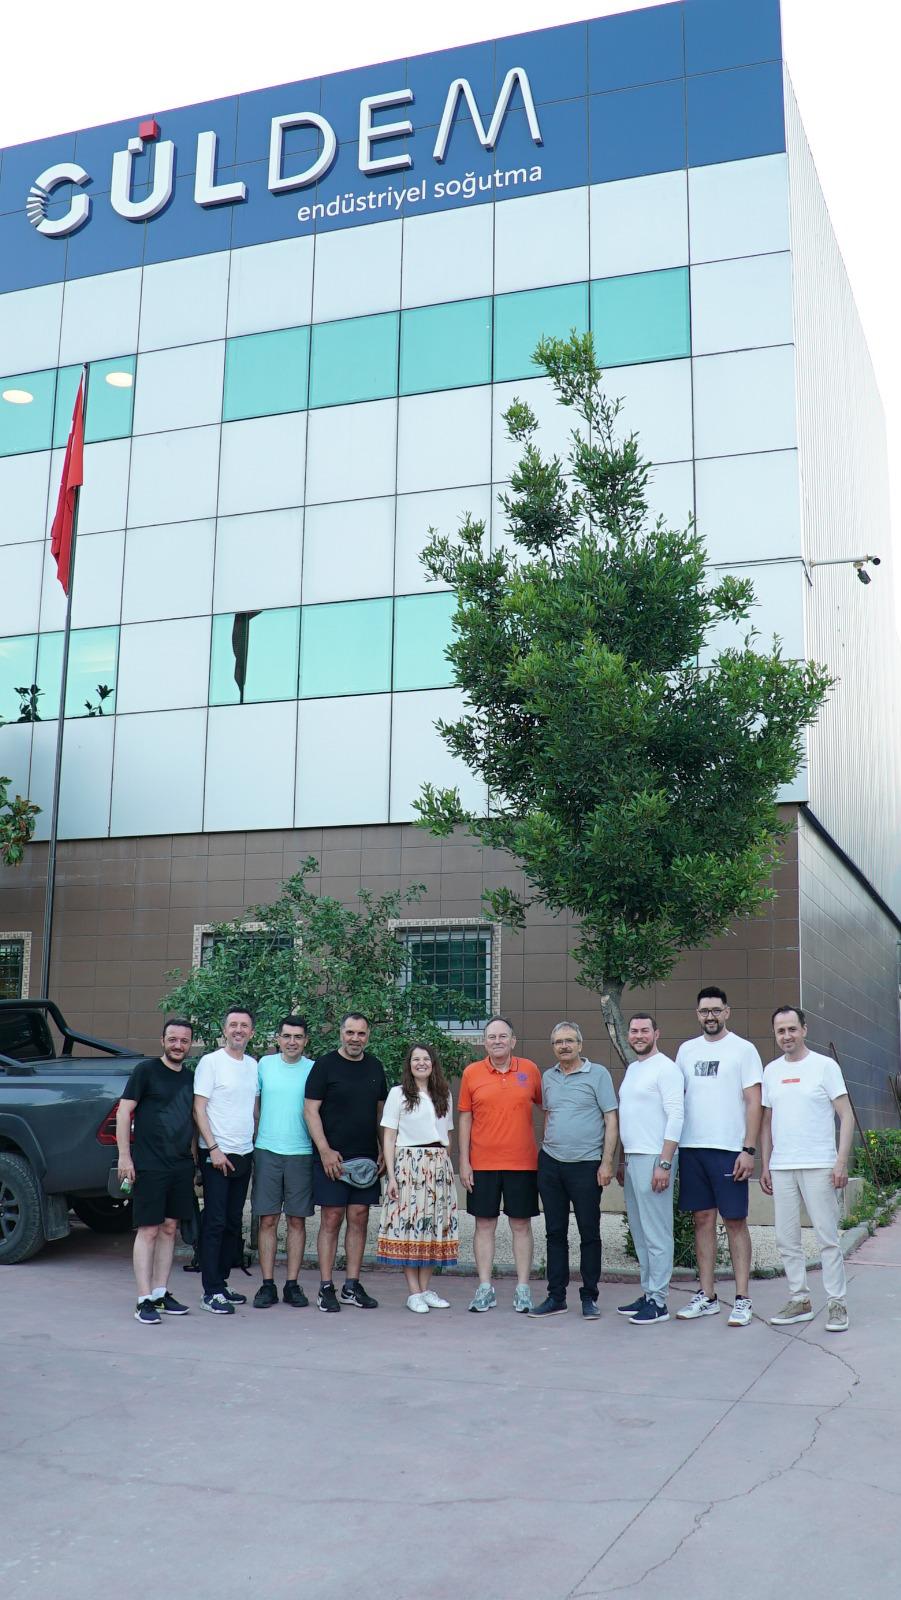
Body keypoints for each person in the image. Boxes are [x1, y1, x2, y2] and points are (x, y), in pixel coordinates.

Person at [760, 1006, 854, 1333]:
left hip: (819, 1165)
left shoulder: (824, 1066)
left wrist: (840, 1161)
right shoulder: (771, 1071)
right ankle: (799, 1299)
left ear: (804, 1029)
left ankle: (837, 1304)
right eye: (780, 1031)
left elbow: (846, 1115)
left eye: (792, 1029)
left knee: (827, 1238)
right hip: (782, 1166)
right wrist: (766, 1164)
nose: (786, 1036)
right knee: (787, 1240)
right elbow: (767, 1122)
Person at [674, 986, 763, 1328]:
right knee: (702, 1220)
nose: (709, 1016)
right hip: (692, 1148)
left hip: (729, 1150)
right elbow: (677, 1098)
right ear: (697, 1014)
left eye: (715, 1010)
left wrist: (748, 1150)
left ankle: (742, 1298)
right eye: (704, 1011)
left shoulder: (743, 1049)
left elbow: (754, 1102)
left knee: (735, 1221)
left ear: (727, 1011)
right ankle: (707, 1296)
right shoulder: (686, 1050)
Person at [530, 1021, 618, 1320]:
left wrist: (607, 1162)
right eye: (558, 1042)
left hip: (587, 1165)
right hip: (551, 1164)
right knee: (554, 1233)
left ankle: (589, 1296)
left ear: (580, 1044)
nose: (564, 1046)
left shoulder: (598, 1074)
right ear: (553, 1047)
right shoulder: (548, 1077)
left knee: (589, 1232)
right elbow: (549, 1114)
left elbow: (611, 1119)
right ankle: (556, 1297)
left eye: (569, 1041)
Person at [304, 1012, 388, 1312]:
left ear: (368, 1036)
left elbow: (380, 1114)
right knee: (331, 1217)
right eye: (350, 1032)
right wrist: (324, 1150)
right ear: (341, 1033)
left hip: (366, 1159)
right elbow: (310, 1111)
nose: (355, 1038)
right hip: (332, 1158)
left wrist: (384, 1148)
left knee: (359, 1217)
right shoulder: (324, 1066)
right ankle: (326, 1287)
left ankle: (352, 1286)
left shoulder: (375, 1067)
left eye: (361, 1033)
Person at [457, 1016, 542, 1314]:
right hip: (482, 1164)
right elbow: (465, 1117)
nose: (497, 1041)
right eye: (492, 1037)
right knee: (484, 1224)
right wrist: (464, 1161)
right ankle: (484, 1288)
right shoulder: (471, 1073)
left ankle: (523, 1289)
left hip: (523, 1163)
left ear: (513, 1041)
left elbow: (548, 1107)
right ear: (484, 1042)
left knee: (521, 1225)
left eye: (503, 1036)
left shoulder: (530, 1070)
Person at [116, 1018, 196, 1325]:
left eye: (184, 1040)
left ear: (190, 1044)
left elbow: (192, 1118)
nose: (178, 1045)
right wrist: (125, 1156)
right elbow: (124, 1112)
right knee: (148, 1229)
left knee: (170, 1228)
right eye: (172, 1039)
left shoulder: (190, 1077)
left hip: (180, 1164)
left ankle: (161, 1293)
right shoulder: (145, 1071)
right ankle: (143, 1299)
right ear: (162, 1041)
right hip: (149, 1163)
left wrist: (193, 1160)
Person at [377, 1042, 458, 1312]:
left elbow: (448, 1135)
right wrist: (391, 1176)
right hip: (408, 1165)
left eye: (426, 1059)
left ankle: (424, 1290)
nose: (421, 1063)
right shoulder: (398, 1094)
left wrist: (444, 1168)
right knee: (409, 1227)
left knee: (432, 1227)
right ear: (409, 1065)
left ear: (433, 1064)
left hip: (438, 1166)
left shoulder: (444, 1094)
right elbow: (389, 1136)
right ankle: (413, 1292)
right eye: (416, 1059)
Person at [616, 1013, 684, 1325]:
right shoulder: (633, 1069)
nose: (639, 1035)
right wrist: (622, 1160)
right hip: (633, 1158)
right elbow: (628, 1117)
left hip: (655, 1158)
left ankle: (659, 1301)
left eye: (645, 1030)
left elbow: (676, 1116)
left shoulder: (666, 1069)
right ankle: (648, 1292)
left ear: (656, 1033)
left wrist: (664, 1163)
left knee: (657, 1232)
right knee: (641, 1232)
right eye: (634, 1031)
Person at [193, 1006, 259, 1315]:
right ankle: (210, 1291)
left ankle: (222, 1283)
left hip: (244, 1153)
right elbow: (199, 1108)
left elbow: (253, 1110)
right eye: (233, 1025)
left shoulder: (252, 1065)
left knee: (233, 1222)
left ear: (252, 1032)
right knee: (215, 1221)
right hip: (217, 1154)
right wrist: (213, 1148)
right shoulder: (211, 1062)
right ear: (224, 1030)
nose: (238, 1030)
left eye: (244, 1026)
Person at [252, 1015, 316, 1310]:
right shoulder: (264, 1065)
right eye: (287, 1036)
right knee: (267, 1219)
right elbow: (255, 1106)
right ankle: (267, 1284)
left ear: (305, 1040)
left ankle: (292, 1284)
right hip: (267, 1150)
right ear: (277, 1038)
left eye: (298, 1037)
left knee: (296, 1220)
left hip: (301, 1152)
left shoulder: (313, 1069)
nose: (292, 1042)